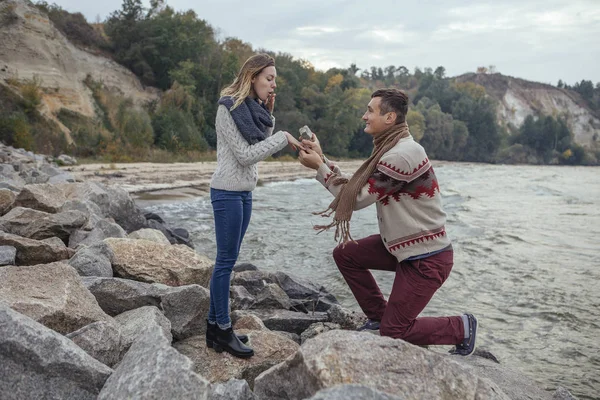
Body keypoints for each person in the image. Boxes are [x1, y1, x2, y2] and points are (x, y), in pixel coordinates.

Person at [298, 88, 477, 355]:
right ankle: (379, 316)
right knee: (346, 254)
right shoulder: (392, 148)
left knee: (395, 332)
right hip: (402, 247)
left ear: (390, 117)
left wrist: (319, 169)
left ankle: (461, 327)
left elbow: (356, 199)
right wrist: (322, 159)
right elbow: (358, 186)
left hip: (426, 259)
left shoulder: (403, 154)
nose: (364, 116)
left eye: (370, 110)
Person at [207, 53, 303, 358]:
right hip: (226, 193)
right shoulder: (228, 108)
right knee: (224, 263)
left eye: (275, 79)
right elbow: (247, 155)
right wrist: (284, 136)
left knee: (229, 260)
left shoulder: (254, 110)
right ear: (253, 78)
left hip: (245, 193)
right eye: (269, 78)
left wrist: (270, 117)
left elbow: (260, 142)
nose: (274, 84)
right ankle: (223, 329)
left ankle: (213, 328)